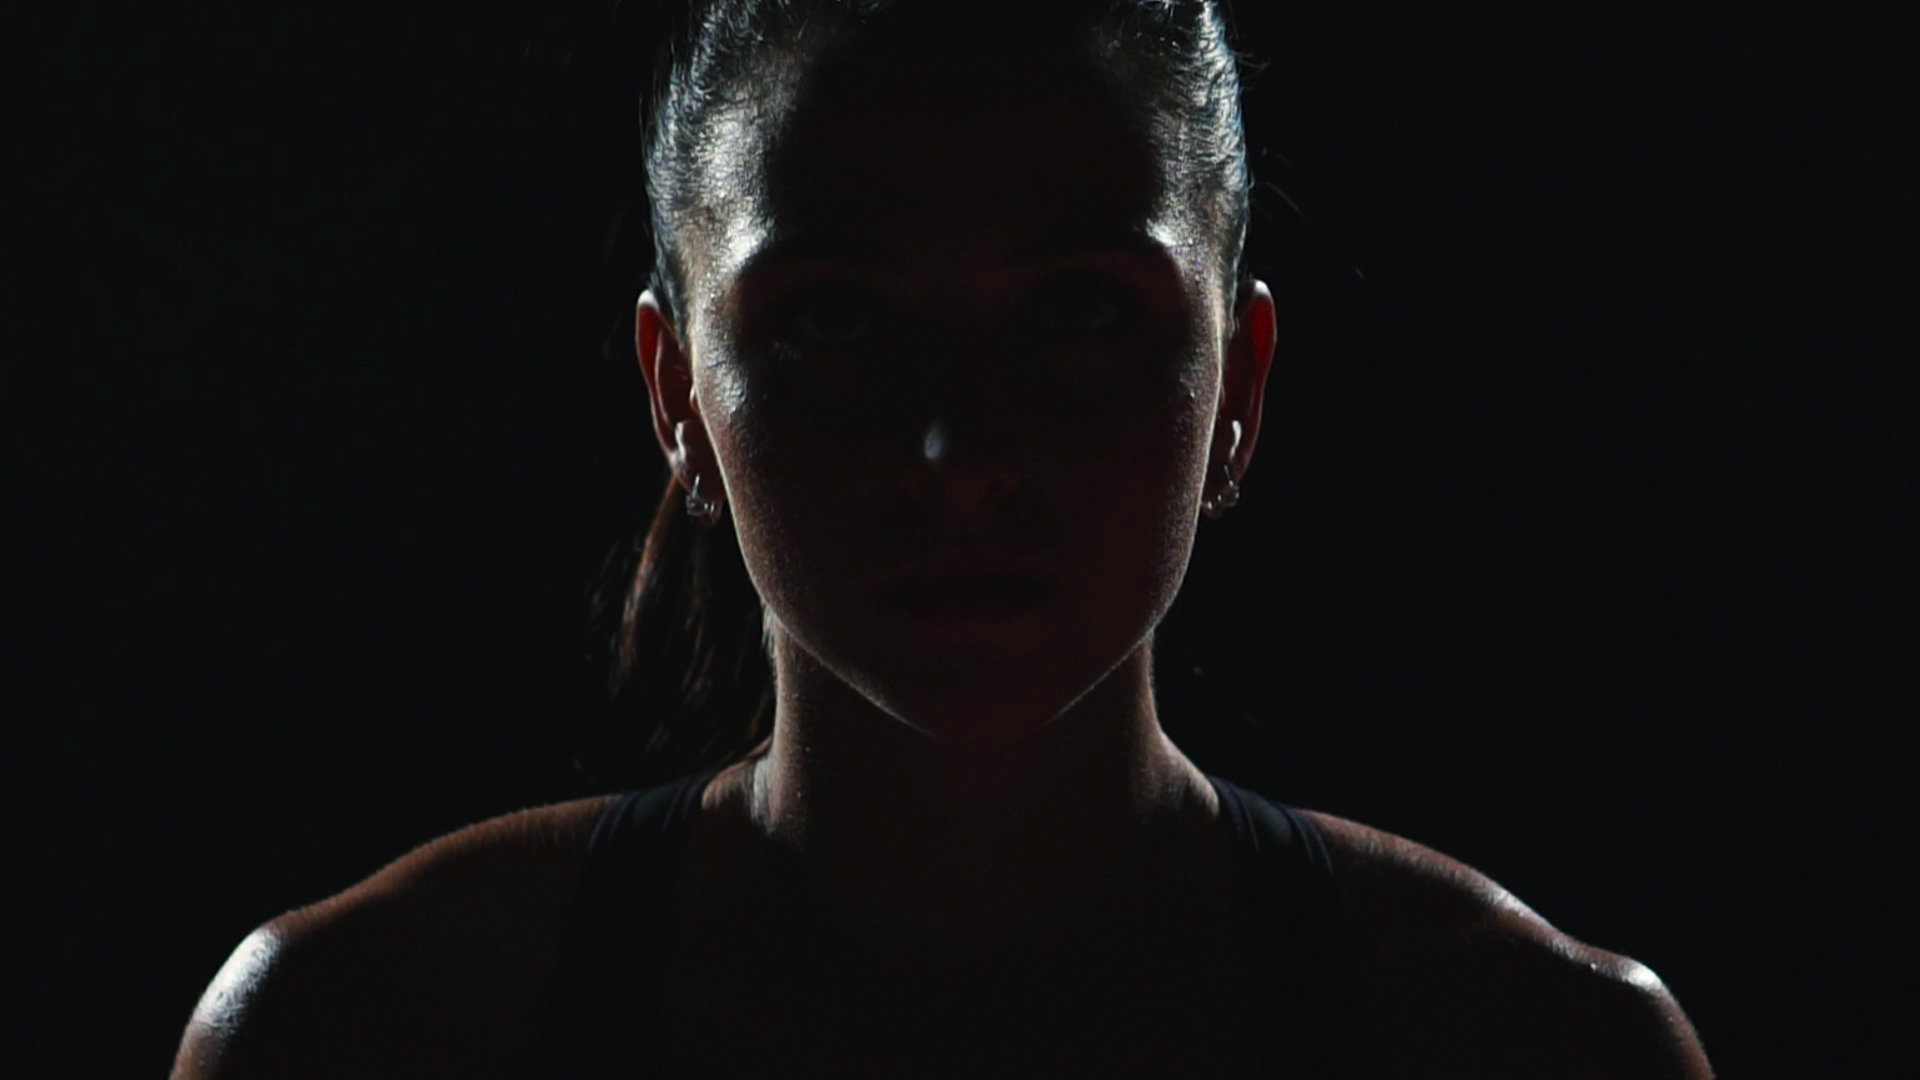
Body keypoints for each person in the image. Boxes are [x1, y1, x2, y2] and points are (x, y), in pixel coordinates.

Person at [171, 2, 1715, 1077]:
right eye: (834, 320)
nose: (959, 455)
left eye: (1083, 312)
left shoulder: (1524, 1045)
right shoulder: (371, 1036)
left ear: (1237, 386)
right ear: (678, 398)